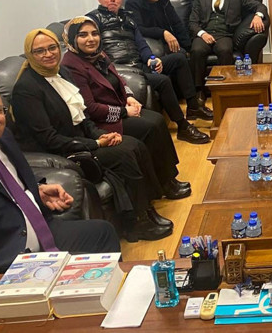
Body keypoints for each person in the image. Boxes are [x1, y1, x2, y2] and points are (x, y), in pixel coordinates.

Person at [10, 29, 173, 242]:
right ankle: (135, 224)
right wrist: (95, 143)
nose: (48, 54)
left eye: (52, 48)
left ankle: (147, 209)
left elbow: (84, 117)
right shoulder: (26, 89)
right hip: (61, 151)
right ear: (30, 55)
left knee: (134, 145)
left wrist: (102, 135)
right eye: (40, 51)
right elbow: (48, 139)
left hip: (83, 140)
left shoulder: (61, 73)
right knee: (125, 153)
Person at [0, 80, 121, 276]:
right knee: (93, 269)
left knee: (103, 233)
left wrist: (36, 188)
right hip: (5, 255)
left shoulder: (2, 137)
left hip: (41, 230)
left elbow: (4, 178)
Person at [60, 16, 191, 200]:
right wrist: (123, 112)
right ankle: (162, 185)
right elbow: (89, 108)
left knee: (157, 120)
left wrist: (129, 97)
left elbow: (119, 79)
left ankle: (169, 177)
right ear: (72, 38)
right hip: (102, 122)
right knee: (149, 128)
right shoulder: (71, 65)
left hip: (120, 107)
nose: (91, 39)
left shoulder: (99, 54)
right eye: (83, 35)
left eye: (94, 33)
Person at [88, 0, 209, 144]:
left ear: (121, 0)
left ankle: (193, 106)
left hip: (139, 64)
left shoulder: (128, 18)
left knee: (179, 58)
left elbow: (141, 43)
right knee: (163, 80)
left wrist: (152, 58)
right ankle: (183, 127)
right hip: (121, 70)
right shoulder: (93, 20)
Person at [124, 0, 214, 119]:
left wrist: (188, 46)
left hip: (167, 41)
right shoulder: (132, 3)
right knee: (179, 56)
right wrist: (163, 32)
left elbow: (176, 22)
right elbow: (138, 29)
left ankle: (193, 105)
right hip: (151, 45)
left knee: (185, 54)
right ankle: (192, 106)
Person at [188, 0, 268, 92]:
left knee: (225, 50)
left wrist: (258, 16)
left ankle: (224, 89)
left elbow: (259, 6)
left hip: (225, 34)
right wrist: (202, 34)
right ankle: (199, 91)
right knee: (197, 51)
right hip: (204, 33)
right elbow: (192, 21)